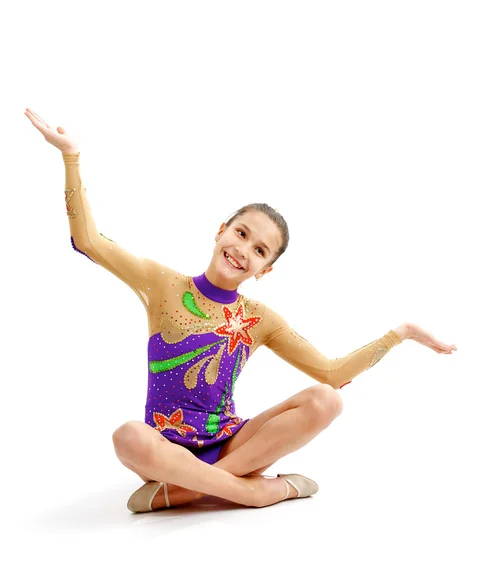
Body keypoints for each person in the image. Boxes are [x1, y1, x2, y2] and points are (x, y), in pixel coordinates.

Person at [24, 107, 457, 513]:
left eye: (259, 249)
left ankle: (188, 491)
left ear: (265, 269)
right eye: (241, 232)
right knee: (127, 437)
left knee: (325, 400)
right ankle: (255, 492)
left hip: (233, 443)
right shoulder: (164, 284)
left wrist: (399, 333)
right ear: (221, 230)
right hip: (163, 448)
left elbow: (332, 375)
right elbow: (89, 242)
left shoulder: (258, 319)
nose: (242, 250)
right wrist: (71, 158)